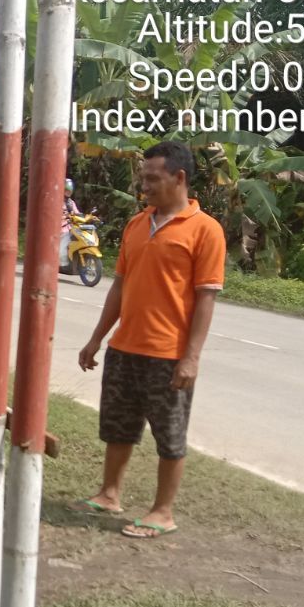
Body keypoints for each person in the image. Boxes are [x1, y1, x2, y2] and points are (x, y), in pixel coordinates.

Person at [73, 140, 226, 538]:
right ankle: (109, 493)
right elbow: (119, 289)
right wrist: (96, 339)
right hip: (125, 348)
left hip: (169, 354)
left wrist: (191, 358)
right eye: (143, 179)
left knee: (169, 435)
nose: (145, 186)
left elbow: (206, 298)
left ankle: (163, 511)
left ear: (180, 178)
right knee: (118, 427)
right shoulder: (136, 224)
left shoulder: (206, 231)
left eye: (153, 179)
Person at [60, 178, 81, 267]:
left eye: (69, 191)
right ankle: (62, 263)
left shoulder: (71, 203)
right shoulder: (57, 201)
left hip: (69, 228)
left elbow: (77, 213)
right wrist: (64, 216)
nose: (68, 192)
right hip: (59, 228)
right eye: (66, 190)